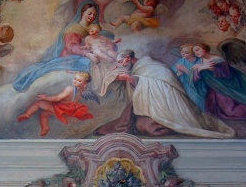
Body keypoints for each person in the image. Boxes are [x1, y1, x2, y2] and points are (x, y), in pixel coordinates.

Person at [95, 50, 234, 139]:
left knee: (148, 128)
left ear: (128, 58)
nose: (121, 65)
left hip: (167, 102)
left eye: (121, 62)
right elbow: (137, 86)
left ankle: (166, 122)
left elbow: (160, 84)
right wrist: (123, 78)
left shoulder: (149, 64)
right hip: (153, 104)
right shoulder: (137, 68)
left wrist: (129, 78)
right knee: (139, 124)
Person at [189, 43, 246, 121]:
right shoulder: (199, 63)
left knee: (232, 112)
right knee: (213, 114)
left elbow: (227, 74)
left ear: (204, 49)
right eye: (194, 52)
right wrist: (200, 69)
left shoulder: (218, 59)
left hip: (228, 88)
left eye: (197, 50)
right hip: (214, 90)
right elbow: (193, 78)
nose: (196, 53)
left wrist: (208, 68)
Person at [17, 71, 96, 136]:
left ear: (84, 83)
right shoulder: (82, 89)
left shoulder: (69, 89)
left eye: (79, 81)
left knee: (39, 103)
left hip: (61, 108)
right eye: (75, 78)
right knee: (44, 114)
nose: (75, 81)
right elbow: (81, 81)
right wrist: (73, 73)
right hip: (70, 109)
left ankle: (27, 114)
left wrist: (45, 98)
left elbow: (58, 98)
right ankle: (45, 128)